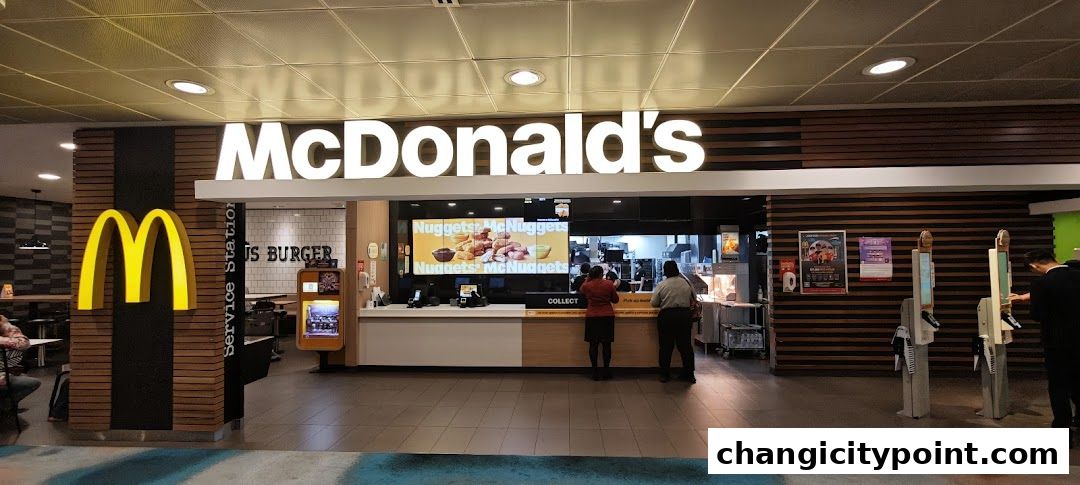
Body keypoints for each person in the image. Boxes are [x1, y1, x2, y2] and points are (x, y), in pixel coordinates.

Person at [1023, 249, 1080, 433]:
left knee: (1058, 386)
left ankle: (1062, 427)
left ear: (1034, 265)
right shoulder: (1077, 275)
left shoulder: (1040, 284)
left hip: (1056, 344)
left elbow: (1037, 315)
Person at [650, 260, 696, 383]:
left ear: (665, 271)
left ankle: (665, 374)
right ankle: (689, 374)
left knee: (665, 346)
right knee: (686, 346)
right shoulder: (686, 283)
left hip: (667, 317)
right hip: (684, 316)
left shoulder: (662, 285)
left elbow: (654, 303)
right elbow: (694, 298)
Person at [579, 265, 619, 380]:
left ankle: (595, 372)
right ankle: (606, 371)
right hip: (607, 316)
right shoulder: (608, 284)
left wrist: (588, 278)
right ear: (602, 274)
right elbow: (615, 300)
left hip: (592, 316)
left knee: (593, 345)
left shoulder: (587, 285)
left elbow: (581, 290)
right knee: (606, 345)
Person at [1, 315, 40, 410]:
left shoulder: (4, 324)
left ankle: (5, 406)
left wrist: (4, 340)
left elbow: (24, 343)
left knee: (26, 380)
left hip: (4, 373)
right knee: (30, 382)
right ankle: (6, 407)